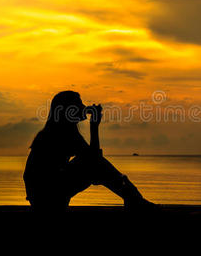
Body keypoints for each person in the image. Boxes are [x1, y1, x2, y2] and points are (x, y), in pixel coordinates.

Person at [23, 90, 156, 212]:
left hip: (44, 197)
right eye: (79, 104)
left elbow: (93, 158)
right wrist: (94, 125)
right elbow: (94, 159)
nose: (83, 106)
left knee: (95, 163)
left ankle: (134, 198)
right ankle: (135, 199)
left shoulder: (61, 131)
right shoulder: (62, 133)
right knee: (96, 163)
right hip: (47, 198)